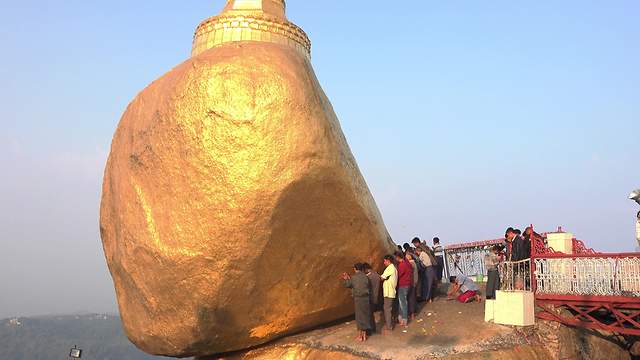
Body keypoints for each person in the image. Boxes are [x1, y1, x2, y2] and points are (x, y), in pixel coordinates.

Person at [341, 263, 373, 342]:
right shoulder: (366, 277)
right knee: (365, 316)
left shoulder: (354, 277)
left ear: (355, 269)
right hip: (366, 299)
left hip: (358, 299)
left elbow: (349, 284)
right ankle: (365, 336)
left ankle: (360, 336)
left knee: (359, 317)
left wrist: (346, 278)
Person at [380, 255, 398, 334]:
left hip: (389, 292)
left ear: (388, 260)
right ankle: (391, 323)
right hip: (390, 291)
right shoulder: (393, 268)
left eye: (384, 261)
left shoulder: (390, 268)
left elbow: (382, 278)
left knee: (387, 309)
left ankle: (389, 326)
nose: (384, 263)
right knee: (389, 308)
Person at [395, 251, 412, 327]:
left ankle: (404, 320)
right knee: (402, 302)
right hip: (408, 284)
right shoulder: (407, 263)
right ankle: (402, 319)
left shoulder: (402, 265)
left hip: (403, 285)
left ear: (398, 257)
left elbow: (398, 275)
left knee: (403, 303)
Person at [363, 262, 381, 332]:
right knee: (371, 314)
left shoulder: (368, 277)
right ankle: (373, 328)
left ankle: (370, 329)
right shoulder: (376, 275)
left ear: (366, 269)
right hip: (375, 297)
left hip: (370, 298)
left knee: (369, 315)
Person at [405, 251, 419, 320]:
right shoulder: (413, 263)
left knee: (411, 298)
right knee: (412, 298)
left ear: (410, 256)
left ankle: (412, 313)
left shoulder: (411, 263)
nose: (406, 257)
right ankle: (413, 312)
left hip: (412, 283)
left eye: (407, 255)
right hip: (414, 283)